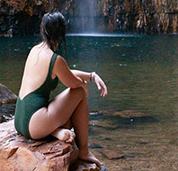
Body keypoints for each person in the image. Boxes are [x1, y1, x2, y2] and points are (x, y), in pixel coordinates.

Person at [14, 11, 108, 168]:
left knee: (72, 102)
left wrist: (92, 76)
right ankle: (84, 150)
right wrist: (84, 86)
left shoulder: (35, 50)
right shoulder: (55, 59)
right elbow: (74, 83)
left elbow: (67, 73)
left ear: (43, 30)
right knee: (78, 92)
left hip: (20, 120)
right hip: (34, 124)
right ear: (61, 33)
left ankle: (54, 131)